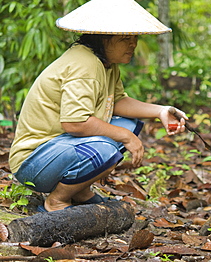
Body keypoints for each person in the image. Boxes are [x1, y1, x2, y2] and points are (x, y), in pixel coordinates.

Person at [9, 0, 187, 212]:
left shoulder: (105, 64)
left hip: (58, 150)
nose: (133, 44)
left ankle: (79, 191)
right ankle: (56, 201)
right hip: (33, 163)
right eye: (125, 38)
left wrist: (160, 111)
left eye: (135, 37)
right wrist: (126, 137)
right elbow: (75, 123)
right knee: (106, 148)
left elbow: (118, 102)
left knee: (129, 125)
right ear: (103, 37)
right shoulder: (85, 65)